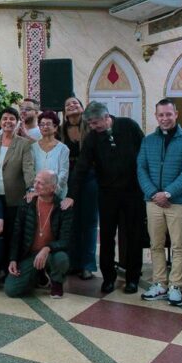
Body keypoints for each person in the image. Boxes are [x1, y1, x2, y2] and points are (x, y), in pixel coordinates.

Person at [62, 101, 145, 294]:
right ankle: (108, 278)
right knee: (107, 237)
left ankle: (133, 278)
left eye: (95, 123)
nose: (92, 127)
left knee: (133, 236)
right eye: (89, 123)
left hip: (133, 193)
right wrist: (72, 195)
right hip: (107, 194)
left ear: (106, 117)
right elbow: (81, 167)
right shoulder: (92, 138)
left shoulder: (129, 126)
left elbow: (144, 154)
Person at [137, 98, 182, 306]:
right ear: (156, 116)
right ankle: (160, 284)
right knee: (156, 245)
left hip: (177, 202)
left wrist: (168, 193)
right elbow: (141, 169)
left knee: (179, 246)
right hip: (152, 201)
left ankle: (175, 287)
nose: (165, 119)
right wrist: (154, 193)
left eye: (168, 114)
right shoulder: (148, 141)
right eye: (161, 115)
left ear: (176, 114)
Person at [6, 170, 72, 299]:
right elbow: (17, 234)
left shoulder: (63, 208)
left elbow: (66, 240)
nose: (35, 186)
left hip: (51, 253)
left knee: (61, 258)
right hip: (30, 255)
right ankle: (39, 275)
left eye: (40, 183)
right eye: (35, 181)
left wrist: (47, 248)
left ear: (52, 187)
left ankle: (57, 282)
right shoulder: (27, 204)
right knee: (11, 289)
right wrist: (13, 259)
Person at [0, 107, 35, 256]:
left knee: (11, 233)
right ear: (0, 122)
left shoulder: (24, 144)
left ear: (17, 123)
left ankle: (10, 265)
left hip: (14, 197)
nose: (8, 122)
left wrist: (31, 188)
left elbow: (28, 168)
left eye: (11, 119)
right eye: (5, 119)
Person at [60, 96, 98, 280]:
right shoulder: (61, 131)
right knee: (71, 222)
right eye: (68, 104)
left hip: (89, 178)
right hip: (68, 179)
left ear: (82, 108)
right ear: (64, 112)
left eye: (75, 103)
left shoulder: (90, 128)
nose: (72, 105)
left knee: (89, 222)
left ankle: (88, 265)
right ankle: (73, 263)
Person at [31, 111, 69, 199]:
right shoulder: (32, 148)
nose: (45, 127)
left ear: (55, 127)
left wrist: (53, 191)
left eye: (48, 124)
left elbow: (63, 173)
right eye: (42, 124)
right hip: (37, 193)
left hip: (57, 194)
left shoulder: (63, 149)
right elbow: (30, 171)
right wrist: (35, 190)